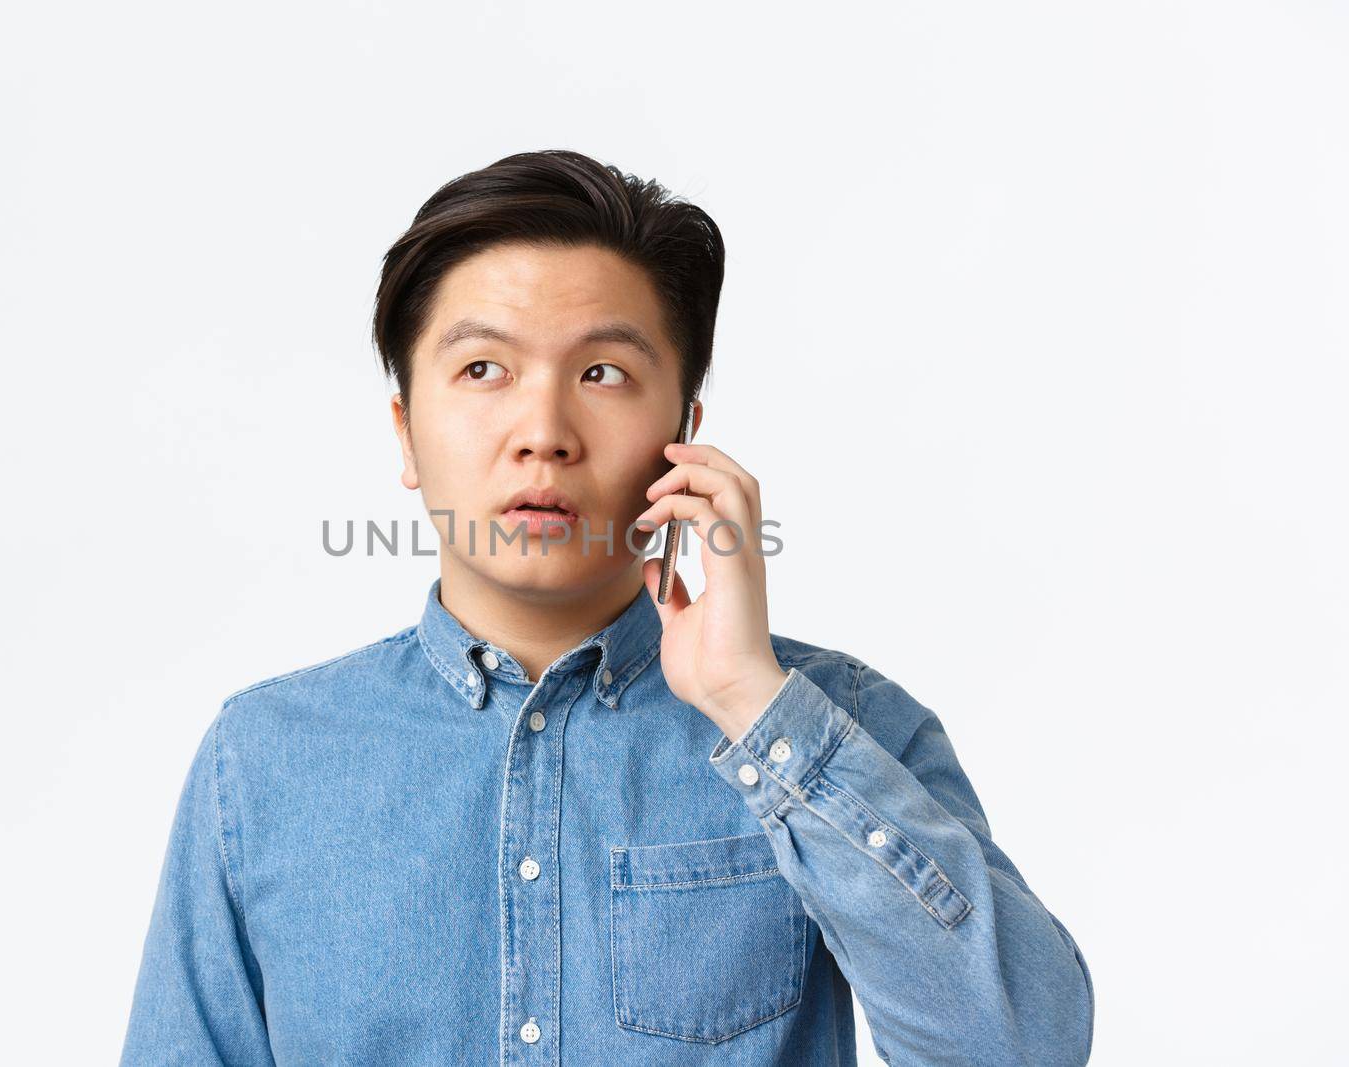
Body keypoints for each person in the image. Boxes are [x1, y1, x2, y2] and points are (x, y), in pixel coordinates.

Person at [119, 150, 1095, 1066]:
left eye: (602, 374)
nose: (542, 432)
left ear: (684, 436)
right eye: (482, 369)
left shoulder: (839, 723)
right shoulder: (265, 759)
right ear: (406, 433)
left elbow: (1023, 1045)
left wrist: (754, 704)